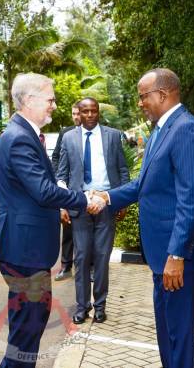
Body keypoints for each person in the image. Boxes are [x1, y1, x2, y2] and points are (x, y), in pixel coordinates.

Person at [96, 68, 194, 368]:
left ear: (162, 95)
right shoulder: (162, 130)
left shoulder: (187, 130)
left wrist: (177, 254)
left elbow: (192, 200)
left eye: (142, 96)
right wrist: (107, 197)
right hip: (162, 254)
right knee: (167, 332)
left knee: (179, 337)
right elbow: (144, 184)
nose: (140, 103)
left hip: (180, 257)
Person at [0, 73, 104, 368]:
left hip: (27, 249)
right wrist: (83, 199)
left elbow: (39, 182)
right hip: (24, 250)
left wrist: (62, 187)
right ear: (29, 101)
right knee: (26, 332)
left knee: (30, 326)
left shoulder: (25, 133)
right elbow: (42, 191)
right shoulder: (19, 138)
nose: (54, 105)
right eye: (51, 99)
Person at [57, 97, 129, 324]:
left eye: (93, 111)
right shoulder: (68, 138)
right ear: (79, 112)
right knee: (80, 259)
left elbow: (123, 171)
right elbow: (62, 175)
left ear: (98, 112)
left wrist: (120, 201)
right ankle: (81, 307)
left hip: (106, 204)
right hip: (79, 205)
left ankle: (100, 306)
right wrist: (64, 203)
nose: (89, 115)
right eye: (85, 111)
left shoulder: (113, 136)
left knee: (101, 258)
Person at [52, 103, 81, 281]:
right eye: (74, 113)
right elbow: (56, 156)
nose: (76, 116)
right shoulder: (66, 133)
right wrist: (58, 178)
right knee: (68, 229)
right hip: (68, 189)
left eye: (79, 113)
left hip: (88, 190)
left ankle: (90, 268)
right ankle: (65, 267)